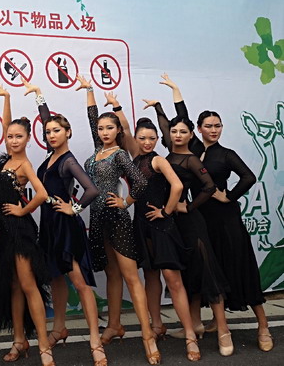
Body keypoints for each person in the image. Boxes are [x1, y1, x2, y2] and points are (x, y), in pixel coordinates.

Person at [156, 74, 272, 352]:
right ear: (198, 129)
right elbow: (180, 120)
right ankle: (201, 323)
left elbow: (249, 177)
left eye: (217, 125)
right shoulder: (194, 149)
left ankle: (263, 326)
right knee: (204, 272)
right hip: (201, 220)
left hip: (226, 220)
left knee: (240, 269)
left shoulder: (226, 154)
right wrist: (174, 92)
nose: (214, 130)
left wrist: (229, 195)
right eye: (208, 126)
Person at [98, 86, 200, 362]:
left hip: (161, 226)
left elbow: (177, 186)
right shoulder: (135, 155)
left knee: (173, 280)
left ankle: (190, 336)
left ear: (157, 139)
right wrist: (116, 105)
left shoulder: (157, 159)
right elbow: (125, 129)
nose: (146, 142)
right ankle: (156, 325)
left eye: (152, 138)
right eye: (142, 138)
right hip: (141, 225)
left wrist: (166, 212)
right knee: (151, 276)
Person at [76, 76, 162, 365]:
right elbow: (92, 118)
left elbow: (140, 183)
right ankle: (114, 325)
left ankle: (148, 337)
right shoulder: (97, 150)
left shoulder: (120, 154)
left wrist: (126, 202)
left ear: (118, 131)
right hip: (98, 219)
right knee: (112, 274)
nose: (103, 132)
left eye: (109, 128)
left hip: (117, 220)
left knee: (131, 278)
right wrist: (89, 90)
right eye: (101, 128)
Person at [23, 79, 107, 366]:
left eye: (57, 131)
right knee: (56, 276)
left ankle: (95, 341)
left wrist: (75, 209)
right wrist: (39, 96)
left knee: (79, 283)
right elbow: (48, 119)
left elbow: (92, 189)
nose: (51, 134)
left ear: (68, 132)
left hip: (65, 226)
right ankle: (59, 328)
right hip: (48, 224)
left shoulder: (68, 160)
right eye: (48, 132)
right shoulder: (51, 155)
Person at [146, 92, 234, 357]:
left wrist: (189, 206)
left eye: (183, 131)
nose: (177, 135)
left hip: (192, 224)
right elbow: (164, 125)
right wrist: (158, 108)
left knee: (208, 272)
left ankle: (223, 330)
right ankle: (194, 325)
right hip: (173, 225)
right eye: (174, 131)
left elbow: (209, 187)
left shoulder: (192, 159)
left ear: (191, 135)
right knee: (188, 275)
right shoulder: (166, 158)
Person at [0, 82, 54, 366]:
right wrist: (7, 97)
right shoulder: (6, 159)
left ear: (28, 139)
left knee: (28, 286)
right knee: (14, 285)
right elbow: (7, 124)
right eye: (10, 137)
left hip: (21, 232)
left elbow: (42, 194)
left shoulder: (24, 164)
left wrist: (22, 210)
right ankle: (19, 340)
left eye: (19, 137)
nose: (13, 140)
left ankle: (44, 346)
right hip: (5, 233)